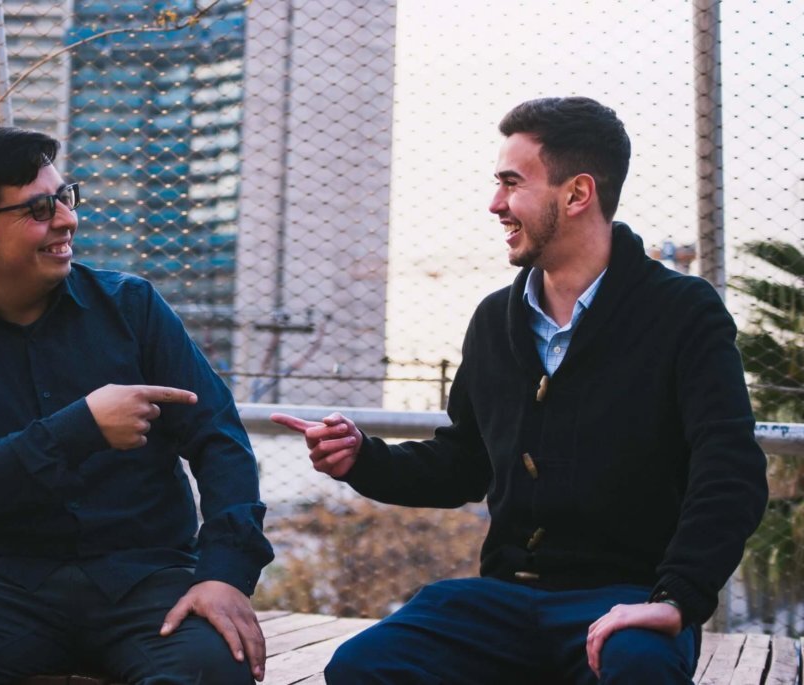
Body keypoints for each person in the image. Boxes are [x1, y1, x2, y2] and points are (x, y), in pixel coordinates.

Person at [272, 96, 768, 684]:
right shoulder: (493, 321)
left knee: (638, 670)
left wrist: (677, 598)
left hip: (628, 599)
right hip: (503, 600)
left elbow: (729, 468)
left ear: (577, 194)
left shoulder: (683, 312)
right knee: (364, 666)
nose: (495, 204)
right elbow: (463, 464)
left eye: (512, 183)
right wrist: (362, 458)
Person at [0, 127, 274, 685]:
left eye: (65, 197)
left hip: (149, 579)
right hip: (7, 584)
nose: (66, 219)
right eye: (39, 208)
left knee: (213, 673)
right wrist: (82, 427)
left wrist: (225, 574)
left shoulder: (131, 306)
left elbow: (220, 440)